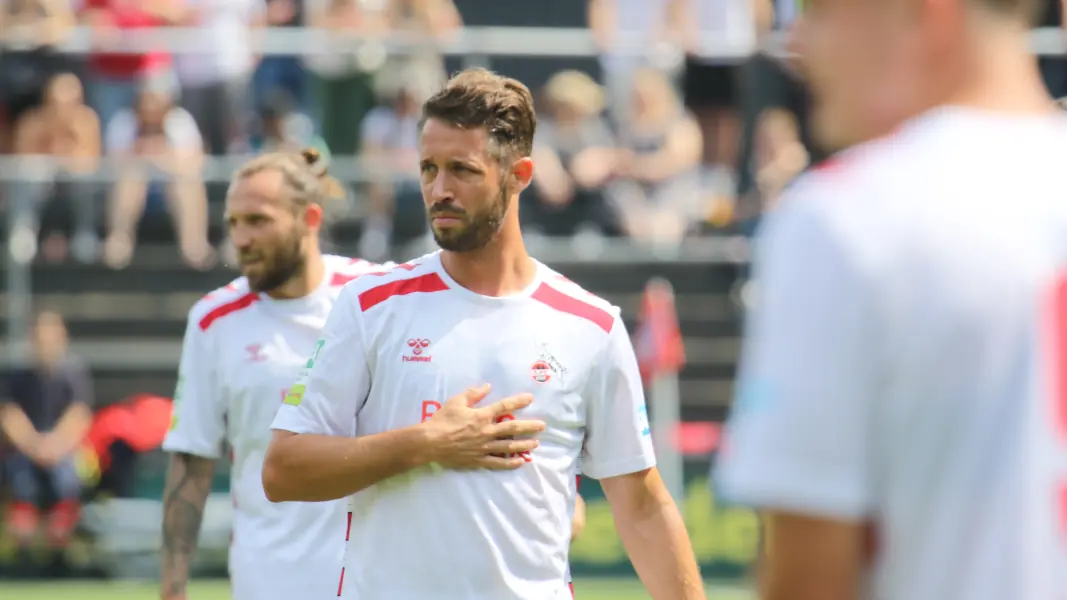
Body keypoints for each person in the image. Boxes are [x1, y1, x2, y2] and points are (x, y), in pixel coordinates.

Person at [262, 68, 705, 600]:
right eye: (428, 168)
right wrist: (426, 442)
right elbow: (283, 470)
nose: (439, 189)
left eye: (462, 170)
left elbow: (641, 505)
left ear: (519, 174)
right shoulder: (370, 305)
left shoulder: (591, 325)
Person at [713, 0, 1067, 599]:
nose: (797, 45)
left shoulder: (848, 218)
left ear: (929, 15)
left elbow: (810, 581)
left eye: (821, 12)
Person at [159, 148, 386, 600]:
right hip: (269, 579)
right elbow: (192, 461)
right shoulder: (212, 321)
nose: (240, 239)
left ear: (310, 219)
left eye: (258, 220)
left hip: (375, 574)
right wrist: (172, 586)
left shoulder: (374, 296)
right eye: (233, 223)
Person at [1, 311, 93, 564]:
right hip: (25, 449)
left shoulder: (73, 374)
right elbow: (10, 415)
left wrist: (55, 446)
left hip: (63, 449)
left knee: (68, 480)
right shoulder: (17, 375)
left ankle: (59, 552)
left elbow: (79, 414)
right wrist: (34, 445)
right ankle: (23, 553)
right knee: (21, 482)